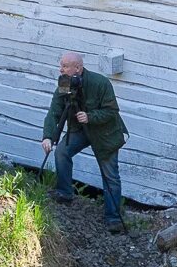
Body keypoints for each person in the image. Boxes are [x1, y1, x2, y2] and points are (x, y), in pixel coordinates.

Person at [41, 51, 129, 233]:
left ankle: (113, 217)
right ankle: (65, 193)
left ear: (78, 68)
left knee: (110, 174)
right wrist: (48, 136)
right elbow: (55, 111)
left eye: (65, 66)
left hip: (104, 133)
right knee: (62, 152)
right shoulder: (65, 82)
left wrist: (90, 116)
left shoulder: (100, 83)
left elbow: (112, 111)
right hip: (79, 131)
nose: (61, 69)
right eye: (61, 65)